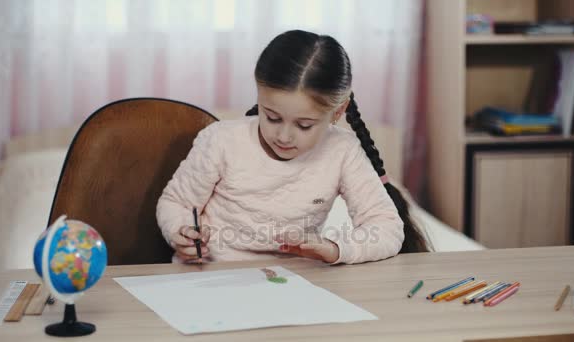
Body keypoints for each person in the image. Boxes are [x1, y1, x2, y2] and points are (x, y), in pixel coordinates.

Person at [156, 30, 429, 265]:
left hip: (290, 286)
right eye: (272, 117)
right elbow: (175, 203)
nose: (284, 136)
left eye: (304, 125)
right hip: (208, 277)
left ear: (337, 112)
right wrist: (180, 231)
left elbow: (387, 228)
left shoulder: (342, 151)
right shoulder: (221, 141)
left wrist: (336, 249)